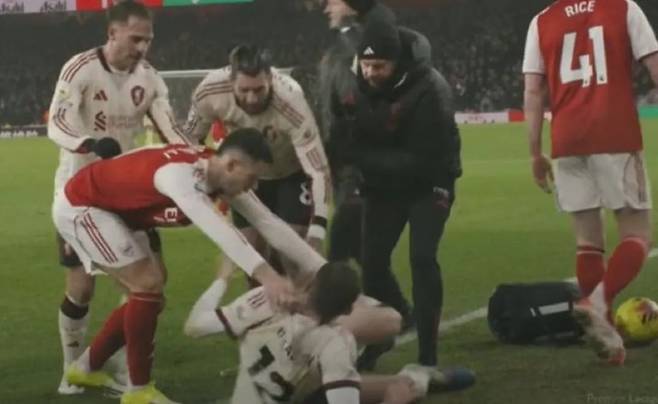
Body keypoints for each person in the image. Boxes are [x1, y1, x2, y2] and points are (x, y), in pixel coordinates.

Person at [54, 130, 315, 404]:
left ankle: (85, 368)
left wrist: (320, 270)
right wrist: (269, 278)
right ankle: (138, 391)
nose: (254, 186)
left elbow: (268, 222)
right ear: (231, 165)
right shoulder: (180, 177)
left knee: (151, 298)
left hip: (119, 213)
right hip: (83, 206)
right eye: (252, 178)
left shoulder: (217, 173)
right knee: (147, 284)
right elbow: (219, 231)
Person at [47, 0, 193, 395]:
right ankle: (71, 371)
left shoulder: (151, 78)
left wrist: (199, 160)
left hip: (127, 192)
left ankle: (114, 363)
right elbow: (57, 122)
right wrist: (87, 143)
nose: (143, 47)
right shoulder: (80, 68)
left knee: (152, 285)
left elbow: (171, 130)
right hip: (79, 193)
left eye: (148, 40)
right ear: (112, 34)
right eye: (135, 39)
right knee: (82, 287)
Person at [331, 18, 473, 387]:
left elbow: (421, 161)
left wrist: (360, 157)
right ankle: (386, 331)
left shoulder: (431, 89)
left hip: (430, 182)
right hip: (383, 186)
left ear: (397, 62)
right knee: (373, 263)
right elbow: (345, 134)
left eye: (379, 66)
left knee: (422, 258)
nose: (370, 73)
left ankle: (427, 357)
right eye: (366, 64)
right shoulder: (355, 82)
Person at [522, 0, 658, 365]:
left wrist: (535, 152)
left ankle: (609, 339)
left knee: (588, 243)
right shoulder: (623, 8)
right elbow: (654, 65)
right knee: (637, 235)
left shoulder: (541, 21)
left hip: (566, 140)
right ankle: (597, 301)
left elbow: (533, 91)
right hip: (615, 132)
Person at [184, 261, 432, 404]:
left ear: (312, 285)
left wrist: (222, 278)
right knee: (395, 388)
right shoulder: (335, 342)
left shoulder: (265, 300)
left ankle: (410, 381)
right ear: (347, 309)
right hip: (297, 392)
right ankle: (411, 382)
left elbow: (194, 326)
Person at [184, 44, 331, 283]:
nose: (252, 98)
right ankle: (263, 307)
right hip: (244, 179)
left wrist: (317, 231)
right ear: (231, 81)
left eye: (259, 89)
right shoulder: (209, 91)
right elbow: (188, 140)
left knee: (296, 256)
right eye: (244, 90)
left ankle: (304, 305)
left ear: (270, 79)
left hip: (290, 175)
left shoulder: (291, 101)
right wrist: (206, 182)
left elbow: (318, 169)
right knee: (252, 258)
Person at [319, 0, 430, 270]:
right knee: (364, 253)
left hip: (355, 163)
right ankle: (379, 295)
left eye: (332, 1)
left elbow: (352, 105)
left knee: (340, 250)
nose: (327, 9)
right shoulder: (347, 45)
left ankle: (336, 291)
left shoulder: (360, 46)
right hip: (345, 161)